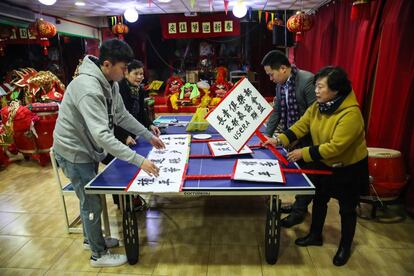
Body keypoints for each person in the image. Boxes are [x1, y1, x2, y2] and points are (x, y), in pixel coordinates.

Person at [53, 39, 165, 267]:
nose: (125, 73)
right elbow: (102, 135)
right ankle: (97, 254)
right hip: (74, 151)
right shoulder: (88, 89)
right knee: (91, 203)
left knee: (90, 200)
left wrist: (148, 135)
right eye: (123, 68)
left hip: (87, 148)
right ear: (106, 64)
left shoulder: (109, 82)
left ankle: (91, 239)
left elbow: (122, 115)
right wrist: (139, 161)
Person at [263, 66, 369, 266]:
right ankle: (315, 235)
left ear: (335, 90)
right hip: (324, 163)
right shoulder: (319, 106)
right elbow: (301, 126)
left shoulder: (351, 114)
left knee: (347, 209)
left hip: (349, 168)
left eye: (321, 87)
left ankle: (345, 247)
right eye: (316, 86)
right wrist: (279, 140)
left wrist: (303, 153)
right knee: (319, 200)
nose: (317, 91)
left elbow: (336, 147)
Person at [261, 49, 316, 227]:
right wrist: (267, 136)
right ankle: (298, 205)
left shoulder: (307, 81)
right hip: (290, 134)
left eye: (271, 74)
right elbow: (277, 111)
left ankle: (299, 211)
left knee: (308, 174)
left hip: (309, 137)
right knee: (300, 172)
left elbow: (314, 116)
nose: (271, 79)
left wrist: (301, 140)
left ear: (283, 68)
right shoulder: (281, 84)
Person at [103, 59, 160, 209]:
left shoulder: (139, 89)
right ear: (127, 73)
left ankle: (133, 196)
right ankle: (122, 202)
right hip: (116, 134)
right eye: (136, 73)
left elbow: (141, 112)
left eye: (142, 73)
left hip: (132, 131)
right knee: (119, 167)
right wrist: (123, 136)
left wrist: (149, 125)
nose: (140, 77)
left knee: (133, 164)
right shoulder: (119, 89)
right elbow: (114, 118)